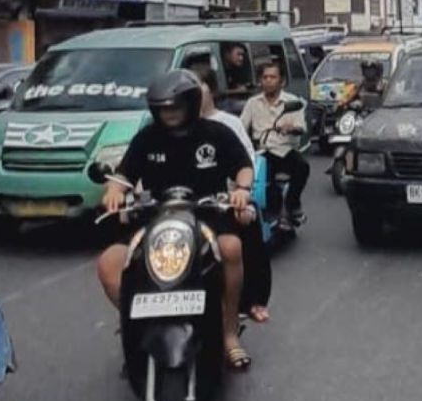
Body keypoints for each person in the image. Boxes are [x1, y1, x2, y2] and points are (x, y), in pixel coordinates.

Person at [95, 70, 257, 370]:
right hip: (157, 218)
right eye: (162, 108)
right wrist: (114, 191)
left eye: (175, 106)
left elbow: (243, 167)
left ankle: (229, 333)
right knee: (109, 263)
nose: (169, 113)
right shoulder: (147, 137)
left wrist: (242, 190)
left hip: (207, 213)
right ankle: (139, 325)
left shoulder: (216, 133)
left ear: (191, 104)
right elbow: (123, 175)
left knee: (232, 247)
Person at [190, 66, 271, 324]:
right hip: (181, 205)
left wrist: (240, 194)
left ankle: (253, 300)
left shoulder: (228, 125)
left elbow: (247, 164)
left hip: (223, 201)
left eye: (198, 86)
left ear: (210, 90)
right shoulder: (165, 129)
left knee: (247, 224)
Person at [241, 62, 309, 227]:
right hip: (263, 152)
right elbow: (241, 127)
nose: (268, 81)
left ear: (282, 81)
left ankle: (293, 204)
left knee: (302, 167)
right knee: (264, 178)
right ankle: (272, 214)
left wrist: (291, 128)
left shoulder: (292, 102)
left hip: (285, 150)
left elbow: (301, 128)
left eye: (273, 77)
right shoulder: (252, 103)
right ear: (260, 81)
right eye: (265, 77)